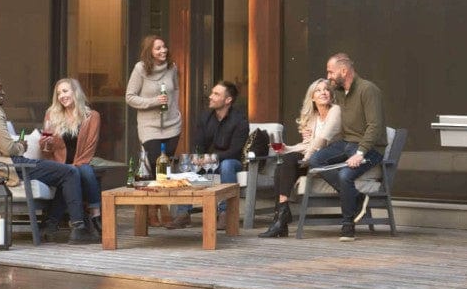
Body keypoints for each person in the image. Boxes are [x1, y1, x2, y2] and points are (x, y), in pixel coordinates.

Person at [0, 76, 99, 244]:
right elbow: (8, 149)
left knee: (66, 172)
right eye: (0, 88)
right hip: (5, 165)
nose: (3, 92)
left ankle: (51, 226)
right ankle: (78, 229)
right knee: (70, 172)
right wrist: (20, 145)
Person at [308, 53, 386, 242]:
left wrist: (360, 153)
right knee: (316, 160)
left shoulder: (368, 90)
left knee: (344, 175)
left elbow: (374, 126)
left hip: (371, 148)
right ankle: (357, 198)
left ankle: (348, 225)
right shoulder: (340, 94)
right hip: (346, 143)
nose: (328, 77)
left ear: (344, 70)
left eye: (331, 72)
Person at [259, 78, 342, 238]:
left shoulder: (335, 111)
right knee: (283, 164)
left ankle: (280, 219)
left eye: (326, 89)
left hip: (329, 159)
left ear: (331, 94)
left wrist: (306, 158)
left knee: (288, 162)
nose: (323, 92)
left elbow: (321, 140)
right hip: (312, 158)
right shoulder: (313, 117)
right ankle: (281, 218)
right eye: (318, 90)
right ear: (312, 97)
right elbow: (307, 144)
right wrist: (287, 148)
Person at [165, 80, 249, 229]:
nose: (210, 96)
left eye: (216, 94)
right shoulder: (205, 117)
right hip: (209, 162)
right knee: (187, 162)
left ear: (228, 100)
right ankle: (184, 214)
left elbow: (235, 150)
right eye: (212, 93)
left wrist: (212, 158)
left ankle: (225, 214)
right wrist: (197, 158)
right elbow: (198, 145)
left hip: (232, 162)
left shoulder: (239, 120)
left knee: (227, 165)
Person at [125, 34, 180, 227]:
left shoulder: (172, 68)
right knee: (158, 167)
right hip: (149, 127)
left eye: (164, 47)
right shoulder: (140, 69)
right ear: (149, 52)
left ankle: (152, 209)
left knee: (165, 169)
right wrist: (153, 102)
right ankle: (162, 209)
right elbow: (130, 97)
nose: (163, 51)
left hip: (173, 126)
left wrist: (175, 112)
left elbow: (176, 92)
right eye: (158, 48)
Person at [40, 78, 102, 236]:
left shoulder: (91, 116)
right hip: (58, 165)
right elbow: (47, 152)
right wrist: (46, 143)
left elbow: (90, 146)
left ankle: (93, 216)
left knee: (84, 171)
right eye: (59, 93)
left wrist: (75, 166)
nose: (62, 96)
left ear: (75, 92)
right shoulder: (51, 114)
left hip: (81, 162)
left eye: (65, 91)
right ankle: (92, 218)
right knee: (70, 174)